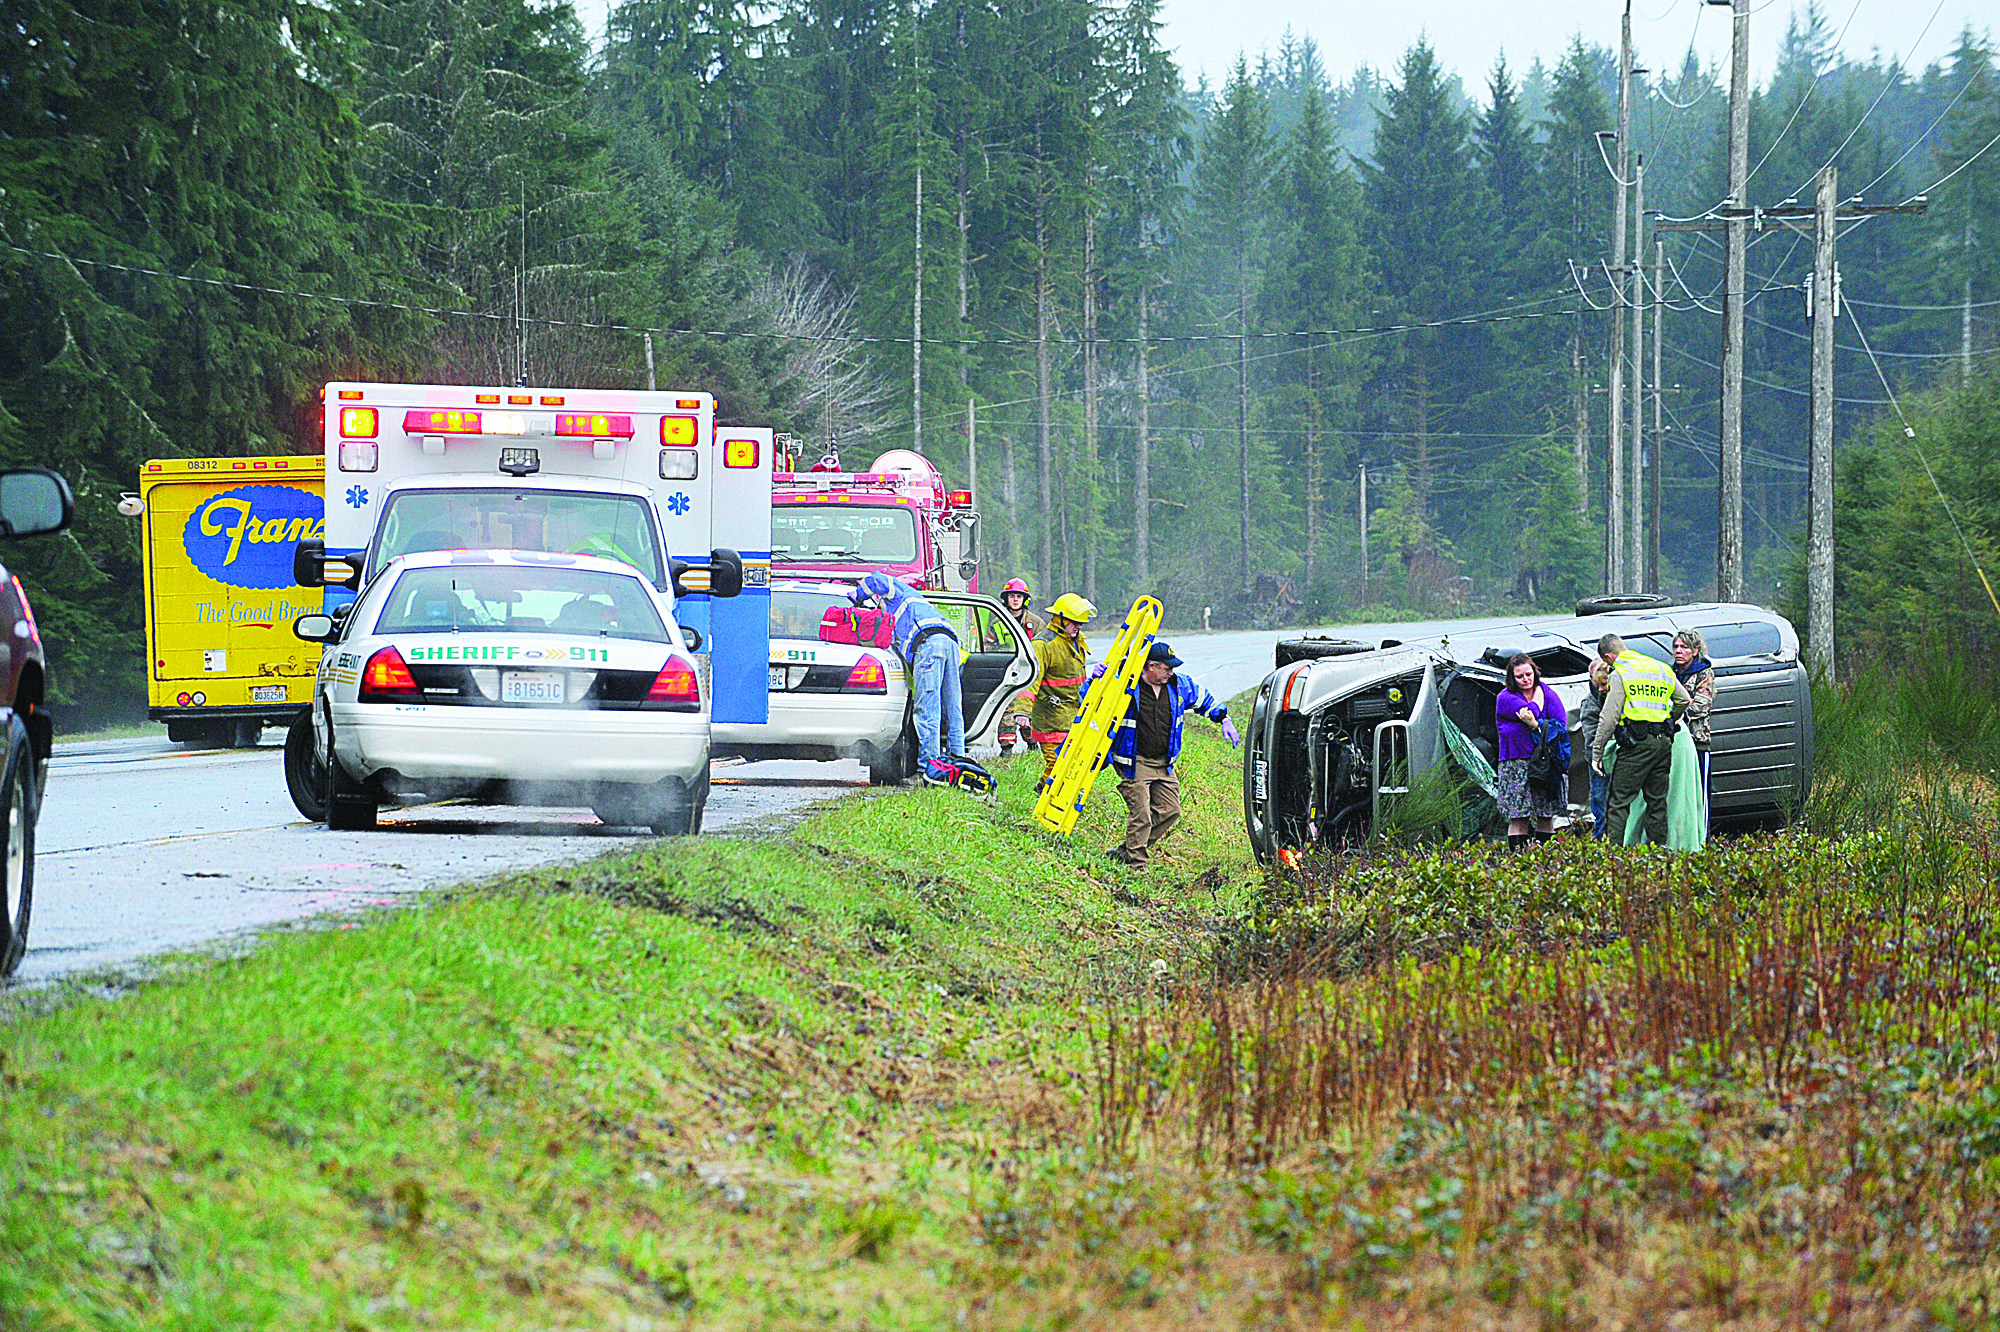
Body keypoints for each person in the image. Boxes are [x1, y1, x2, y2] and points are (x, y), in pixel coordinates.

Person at [1088, 641, 1239, 867]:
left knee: (1170, 811)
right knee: (1141, 816)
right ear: (1150, 666)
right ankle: (1136, 865)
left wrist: (1224, 719)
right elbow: (1089, 699)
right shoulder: (1125, 683)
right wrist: (1096, 679)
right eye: (1166, 668)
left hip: (1163, 763)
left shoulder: (1178, 685)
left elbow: (1204, 699)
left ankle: (1125, 851)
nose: (1171, 672)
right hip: (1134, 761)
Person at [851, 571, 962, 777]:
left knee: (927, 711)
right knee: (953, 710)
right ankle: (958, 762)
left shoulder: (900, 593)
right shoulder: (920, 605)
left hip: (928, 645)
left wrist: (857, 596)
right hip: (950, 643)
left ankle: (927, 771)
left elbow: (877, 579)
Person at [1591, 632, 1690, 847]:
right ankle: (1658, 854)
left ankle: (1613, 856)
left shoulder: (1621, 672)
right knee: (1657, 802)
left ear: (1609, 657)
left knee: (1619, 802)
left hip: (1637, 744)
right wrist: (1667, 721)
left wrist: (1597, 753)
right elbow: (1683, 699)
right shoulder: (1660, 667)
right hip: (1663, 742)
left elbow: (1609, 717)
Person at [1494, 652, 1569, 851]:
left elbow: (1561, 724)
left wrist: (1535, 725)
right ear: (1512, 678)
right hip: (1515, 762)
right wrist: (1537, 699)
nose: (1526, 679)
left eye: (1529, 674)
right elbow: (1530, 712)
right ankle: (1518, 857)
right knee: (1518, 815)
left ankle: (1547, 858)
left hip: (1544, 763)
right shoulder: (1505, 697)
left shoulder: (1549, 693)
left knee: (1546, 813)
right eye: (1520, 676)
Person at [1025, 594, 1095, 788]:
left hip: (1073, 716)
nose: (1078, 626)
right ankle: (1045, 798)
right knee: (1056, 765)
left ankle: (1044, 791)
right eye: (1074, 622)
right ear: (1060, 619)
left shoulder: (1075, 641)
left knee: (1069, 764)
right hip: (1050, 719)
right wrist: (1022, 712)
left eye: (1081, 623)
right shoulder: (1043, 645)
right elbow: (1030, 681)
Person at [1672, 628, 1717, 836]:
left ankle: (1703, 836)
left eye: (1684, 647)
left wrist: (1680, 708)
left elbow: (1701, 705)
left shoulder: (1704, 673)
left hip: (1697, 739)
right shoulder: (1670, 673)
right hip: (1675, 742)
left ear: (1695, 650)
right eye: (1676, 647)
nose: (1679, 651)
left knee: (1701, 793)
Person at [997, 578, 1045, 755]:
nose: (1015, 600)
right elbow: (989, 646)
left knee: (1029, 708)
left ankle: (1032, 746)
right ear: (1006, 598)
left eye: (1019, 596)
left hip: (1030, 674)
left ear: (1025, 599)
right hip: (1007, 673)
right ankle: (1007, 750)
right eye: (1012, 596)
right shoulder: (999, 621)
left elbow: (1045, 649)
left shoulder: (1036, 623)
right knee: (1007, 709)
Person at [1573, 658, 1613, 839]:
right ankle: (1600, 838)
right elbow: (1592, 737)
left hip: (1619, 758)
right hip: (1600, 760)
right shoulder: (1590, 704)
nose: (1602, 688)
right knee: (1600, 800)